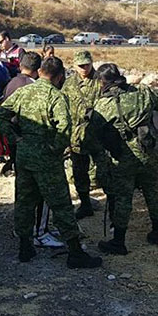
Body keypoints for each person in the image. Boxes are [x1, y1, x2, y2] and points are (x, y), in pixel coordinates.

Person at [0, 57, 102, 268]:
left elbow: (0, 113)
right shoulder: (56, 97)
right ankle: (75, 252)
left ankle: (25, 247)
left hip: (24, 154)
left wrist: (15, 137)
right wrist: (55, 149)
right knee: (61, 203)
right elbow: (64, 128)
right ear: (60, 76)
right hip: (46, 157)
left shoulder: (24, 91)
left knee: (25, 200)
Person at [91, 63, 158, 256]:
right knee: (153, 192)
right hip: (148, 152)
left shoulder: (103, 105)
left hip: (122, 157)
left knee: (123, 198)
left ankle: (119, 241)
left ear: (102, 82)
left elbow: (96, 132)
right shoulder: (143, 93)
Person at [61, 50, 102, 219]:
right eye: (81, 66)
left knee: (106, 171)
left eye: (87, 65)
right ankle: (85, 204)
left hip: (99, 136)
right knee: (79, 172)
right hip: (77, 137)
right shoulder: (69, 84)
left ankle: (113, 206)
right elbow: (63, 107)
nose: (84, 68)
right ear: (75, 66)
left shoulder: (101, 80)